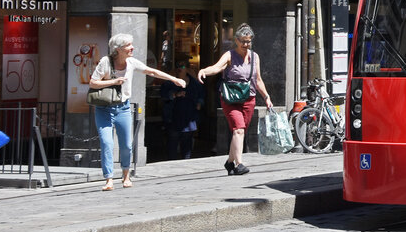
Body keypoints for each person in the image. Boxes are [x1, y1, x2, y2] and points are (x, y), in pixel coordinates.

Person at [89, 33, 185, 191]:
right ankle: (109, 179)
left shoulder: (131, 62)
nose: (132, 47)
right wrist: (114, 81)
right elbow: (93, 83)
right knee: (106, 143)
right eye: (128, 45)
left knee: (126, 145)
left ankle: (126, 175)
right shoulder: (106, 62)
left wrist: (174, 79)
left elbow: (152, 72)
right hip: (104, 109)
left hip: (123, 108)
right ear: (118, 49)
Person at [197, 24, 273, 175]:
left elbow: (258, 80)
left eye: (248, 41)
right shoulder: (229, 55)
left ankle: (229, 162)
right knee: (238, 130)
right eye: (243, 41)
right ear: (236, 40)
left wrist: (266, 97)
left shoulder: (255, 57)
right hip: (230, 99)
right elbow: (217, 67)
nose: (245, 44)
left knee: (240, 131)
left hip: (249, 99)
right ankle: (239, 164)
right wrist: (204, 71)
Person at [163, 58, 203, 159]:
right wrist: (175, 94)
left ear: (187, 69)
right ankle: (171, 163)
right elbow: (163, 95)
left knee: (187, 144)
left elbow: (201, 94)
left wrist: (199, 103)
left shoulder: (194, 83)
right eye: (177, 66)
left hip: (189, 117)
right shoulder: (170, 82)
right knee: (172, 144)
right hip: (173, 118)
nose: (179, 68)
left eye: (182, 66)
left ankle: (186, 162)